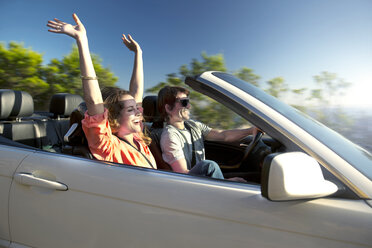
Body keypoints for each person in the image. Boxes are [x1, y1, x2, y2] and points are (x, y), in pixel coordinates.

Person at [47, 13, 156, 169]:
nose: (139, 112)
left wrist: (138, 53)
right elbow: (93, 100)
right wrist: (81, 40)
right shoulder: (108, 146)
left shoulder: (137, 137)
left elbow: (137, 92)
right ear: (113, 117)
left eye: (136, 108)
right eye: (131, 110)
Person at [158, 86, 261, 180]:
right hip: (193, 185)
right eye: (184, 102)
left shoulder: (193, 125)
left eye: (188, 102)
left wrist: (250, 130)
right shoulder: (170, 136)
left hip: (202, 179)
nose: (189, 106)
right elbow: (183, 176)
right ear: (168, 108)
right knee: (208, 166)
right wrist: (225, 183)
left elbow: (223, 135)